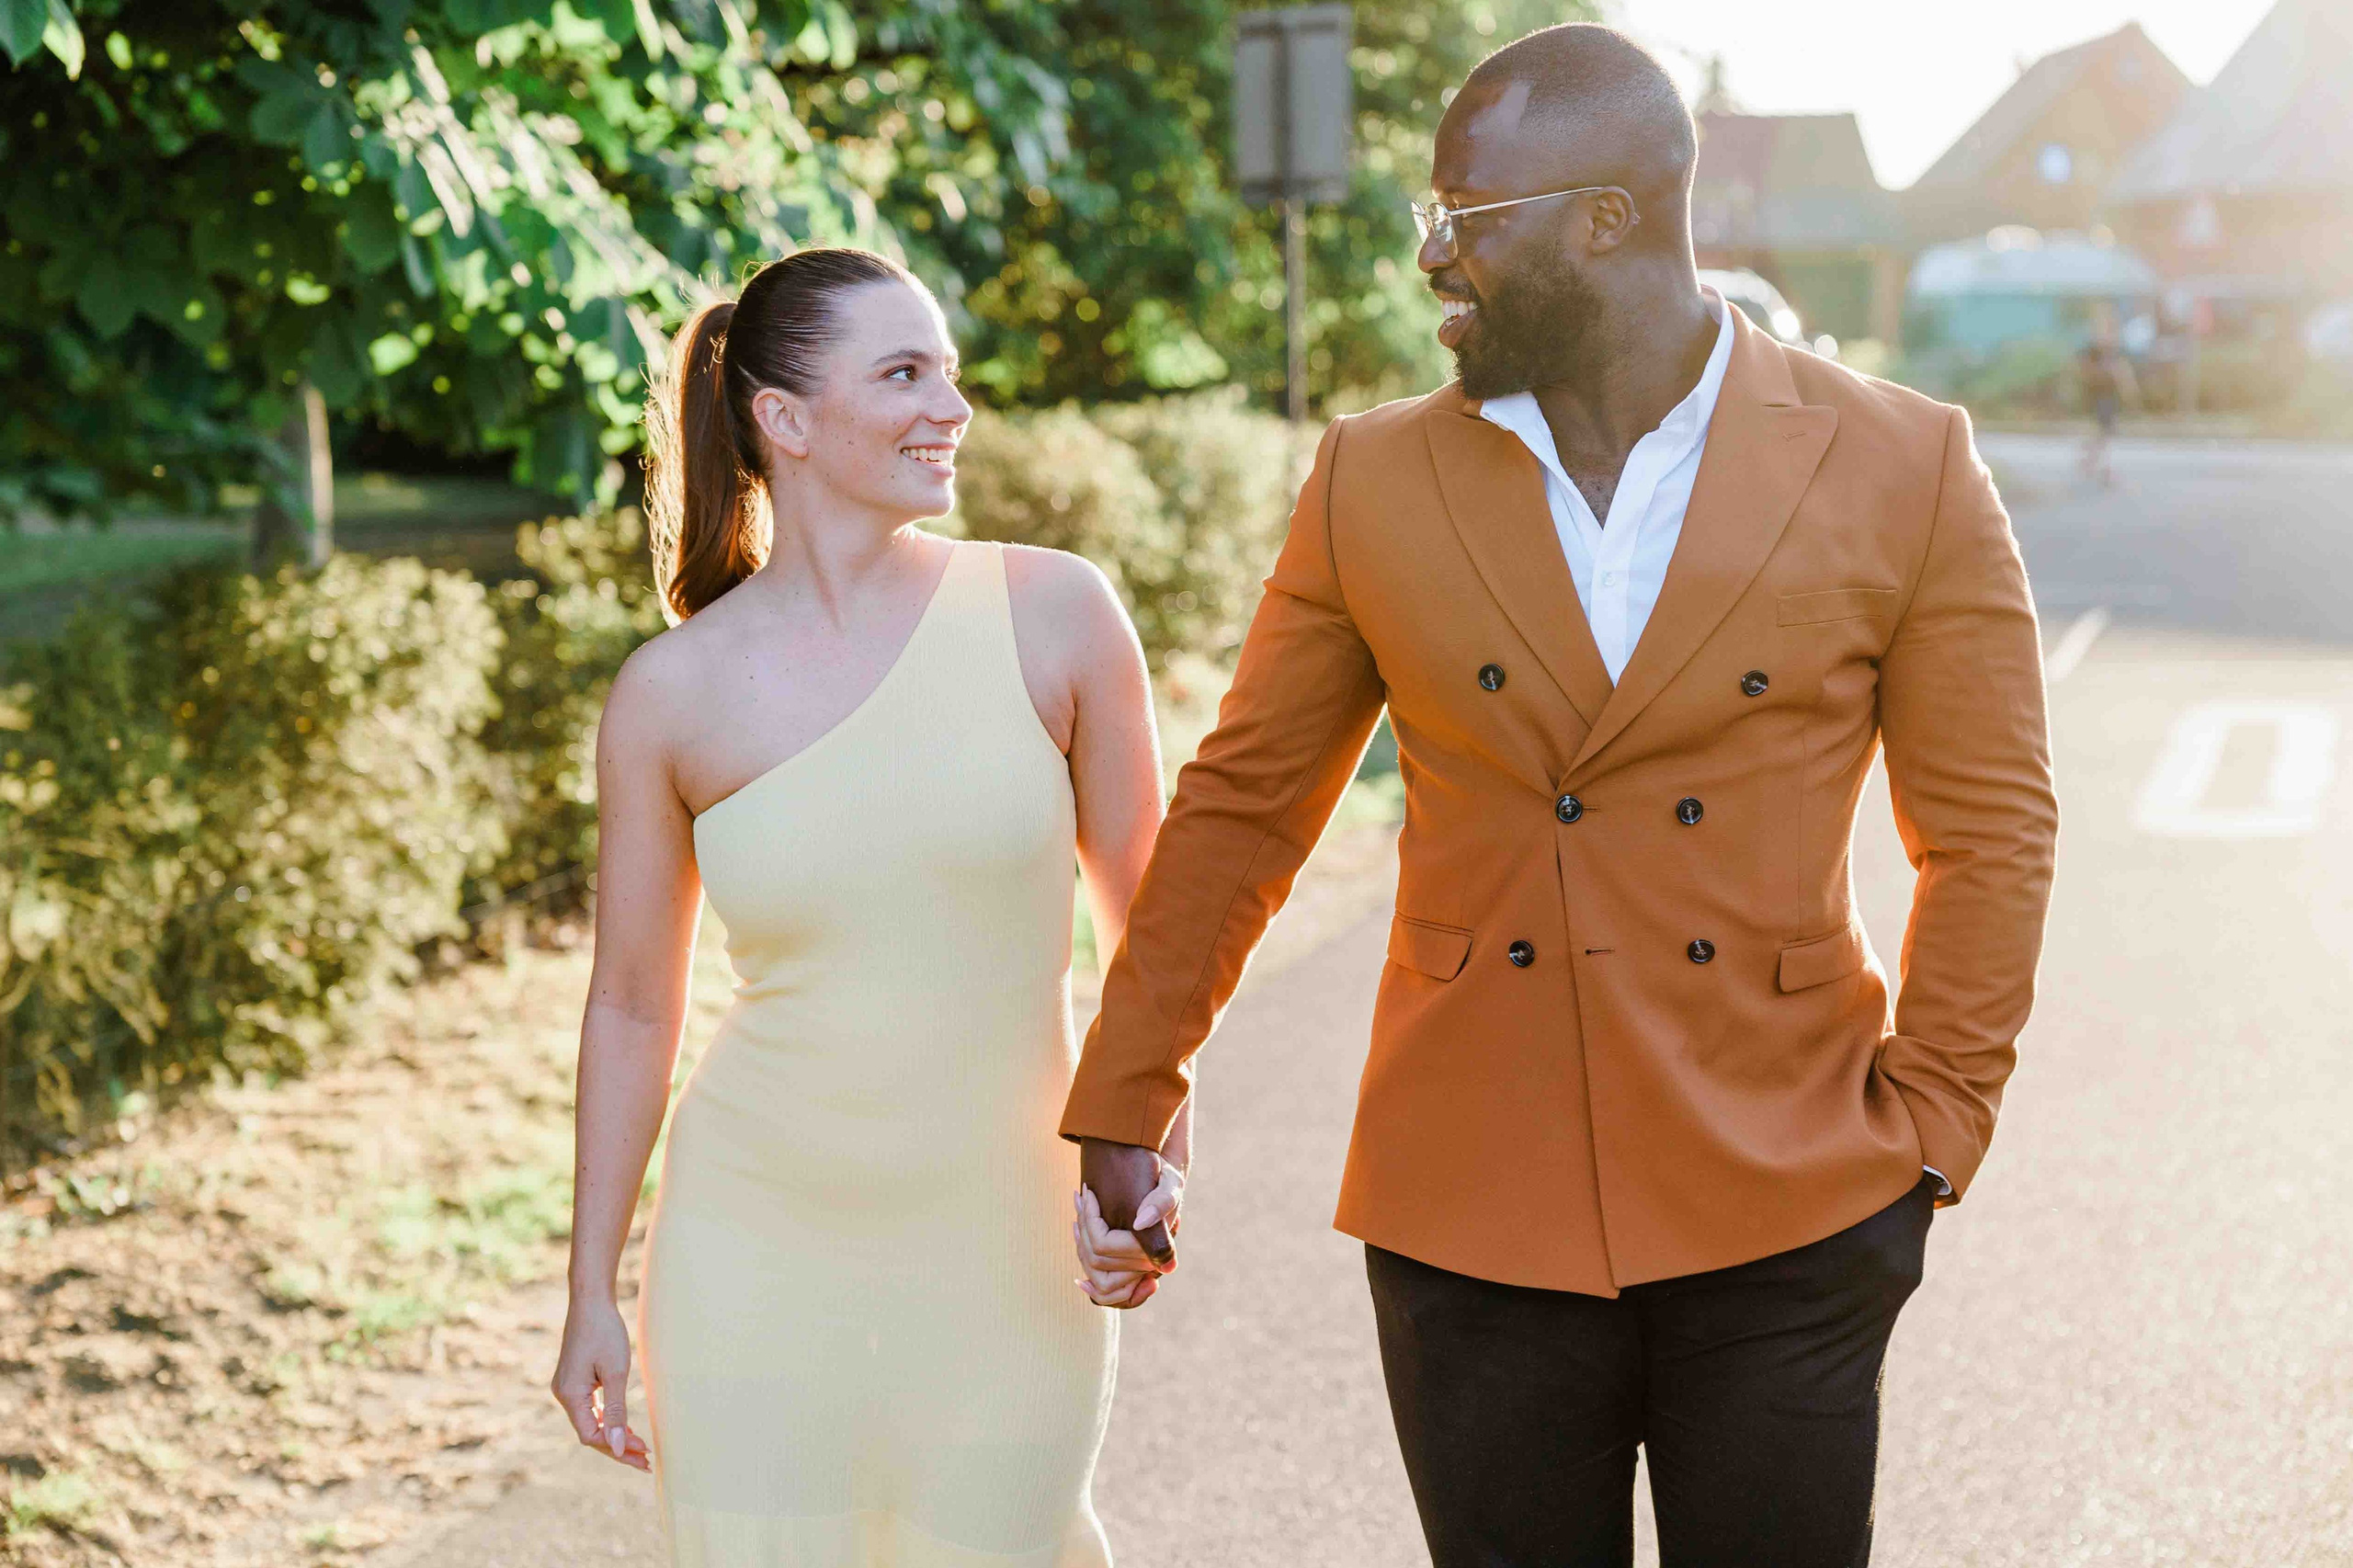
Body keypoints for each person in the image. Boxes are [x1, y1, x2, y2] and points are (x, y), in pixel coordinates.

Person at [1064, 23, 2057, 1567]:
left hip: (1793, 1195)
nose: (1427, 263)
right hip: (1469, 1207)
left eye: (1464, 221)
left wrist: (1935, 1129)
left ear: (1607, 218)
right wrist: (1131, 1089)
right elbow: (1248, 807)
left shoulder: (1904, 463)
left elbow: (1990, 828)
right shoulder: (1372, 477)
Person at [549, 246, 1185, 1566]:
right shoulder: (669, 694)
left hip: (1007, 1241)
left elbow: (1159, 938)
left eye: (949, 369)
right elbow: (628, 1005)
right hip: (752, 1242)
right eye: (904, 372)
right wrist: (589, 1289)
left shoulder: (1055, 613)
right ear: (782, 419)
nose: (951, 404)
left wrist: (1149, 1160)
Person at [2077, 319, 2136, 487]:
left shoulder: (2114, 353)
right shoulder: (2093, 354)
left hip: (2110, 397)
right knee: (2107, 432)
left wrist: (2127, 390)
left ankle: (2090, 457)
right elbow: (2086, 372)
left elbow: (2123, 374)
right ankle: (2106, 470)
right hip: (2099, 397)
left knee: (2106, 433)